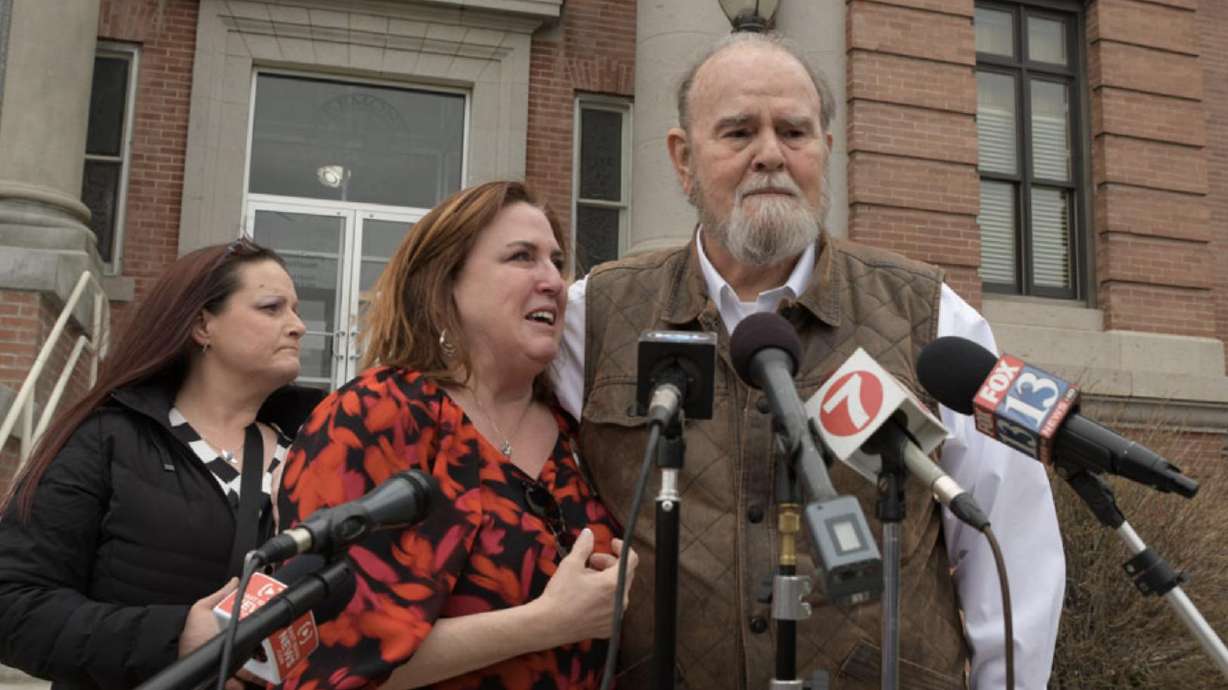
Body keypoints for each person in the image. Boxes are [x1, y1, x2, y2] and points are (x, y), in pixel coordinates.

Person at [550, 32, 1065, 690]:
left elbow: (1012, 545)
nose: (771, 155)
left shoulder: (931, 315)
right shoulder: (594, 316)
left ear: (826, 149)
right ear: (683, 160)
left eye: (794, 131)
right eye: (738, 132)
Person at [275, 181, 636, 690]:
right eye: (521, 257)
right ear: (446, 283)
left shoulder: (575, 430)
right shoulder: (376, 416)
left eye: (556, 261)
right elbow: (323, 652)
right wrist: (546, 623)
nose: (553, 280)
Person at [0, 238, 323, 689]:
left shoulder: (317, 454)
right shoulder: (106, 440)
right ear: (202, 326)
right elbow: (14, 605)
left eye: (295, 309)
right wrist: (177, 636)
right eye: (271, 308)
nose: (298, 326)